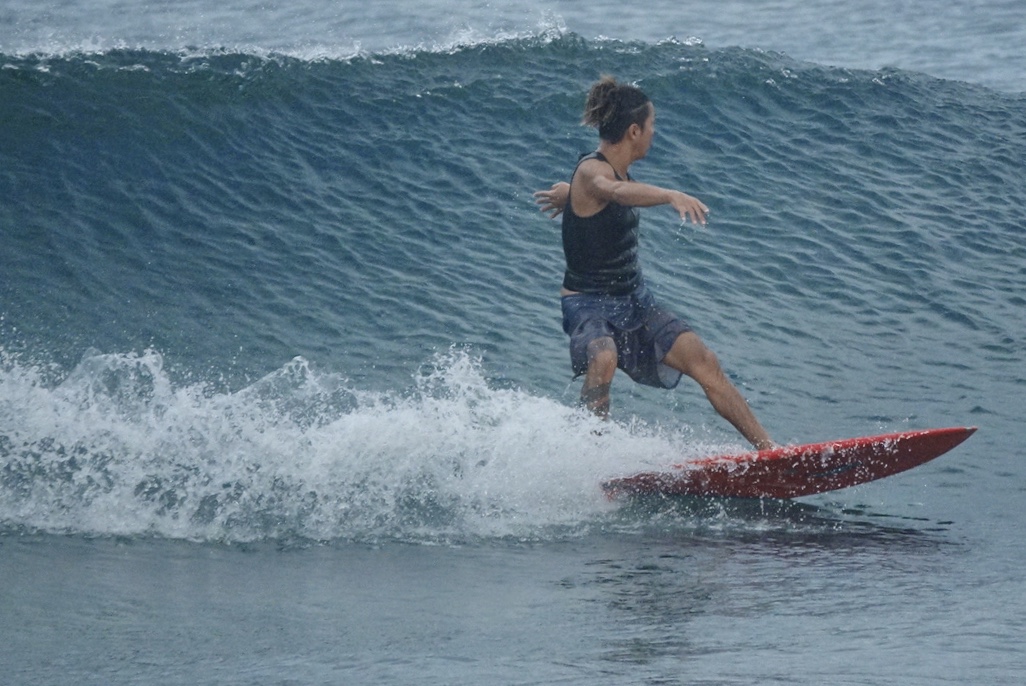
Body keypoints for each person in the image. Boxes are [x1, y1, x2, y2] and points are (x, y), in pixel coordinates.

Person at [534, 75, 773, 450]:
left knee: (703, 359)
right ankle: (589, 453)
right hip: (587, 302)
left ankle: (769, 450)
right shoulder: (593, 173)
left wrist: (571, 196)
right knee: (603, 357)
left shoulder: (598, 176)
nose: (654, 132)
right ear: (634, 131)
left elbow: (602, 195)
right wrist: (669, 195)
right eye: (652, 125)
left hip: (634, 300)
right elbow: (612, 191)